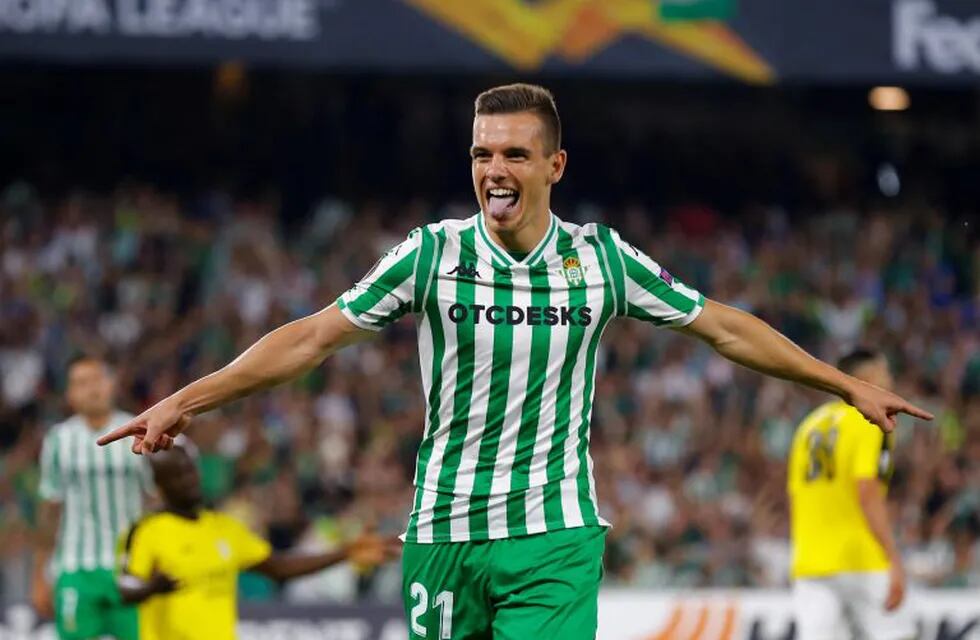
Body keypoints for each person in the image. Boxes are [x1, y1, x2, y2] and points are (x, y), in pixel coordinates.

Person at [98, 83, 932, 639]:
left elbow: (721, 326)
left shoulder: (601, 259)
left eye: (514, 155)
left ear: (554, 166)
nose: (494, 170)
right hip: (443, 534)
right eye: (481, 155)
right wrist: (188, 399)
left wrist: (843, 381)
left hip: (553, 537)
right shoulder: (430, 254)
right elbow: (312, 337)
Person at [116, 440, 396, 640]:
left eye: (190, 470)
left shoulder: (222, 528)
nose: (188, 479)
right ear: (159, 485)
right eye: (176, 476)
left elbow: (278, 568)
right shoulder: (147, 530)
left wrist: (344, 553)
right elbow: (125, 588)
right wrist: (151, 587)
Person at [787, 348, 915, 640]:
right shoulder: (869, 420)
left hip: (810, 562)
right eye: (885, 373)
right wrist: (892, 558)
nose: (890, 379)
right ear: (867, 378)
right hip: (861, 558)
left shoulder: (808, 426)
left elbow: (795, 496)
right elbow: (867, 491)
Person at [34, 355, 150, 640]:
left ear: (112, 384)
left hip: (131, 568)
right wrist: (39, 574)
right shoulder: (58, 440)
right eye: (81, 383)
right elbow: (50, 508)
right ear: (70, 395)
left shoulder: (140, 431)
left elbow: (155, 500)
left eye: (98, 379)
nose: (92, 389)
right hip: (75, 568)